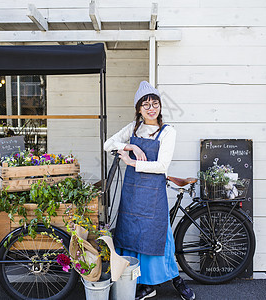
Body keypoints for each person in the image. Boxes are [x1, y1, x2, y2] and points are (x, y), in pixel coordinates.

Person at [104, 81, 195, 300]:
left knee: (158, 238)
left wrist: (132, 162)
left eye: (155, 103)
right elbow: (108, 144)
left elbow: (162, 166)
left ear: (160, 107)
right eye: (146, 104)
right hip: (133, 193)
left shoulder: (167, 132)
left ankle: (175, 280)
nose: (151, 108)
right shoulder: (133, 128)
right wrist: (131, 147)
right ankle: (143, 284)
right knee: (133, 236)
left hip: (153, 195)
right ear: (138, 109)